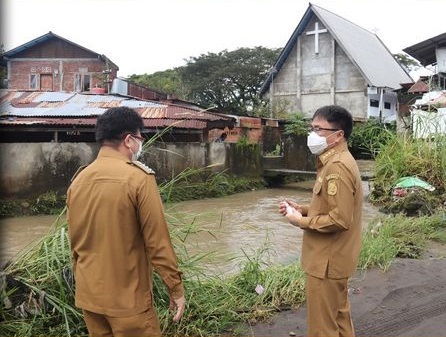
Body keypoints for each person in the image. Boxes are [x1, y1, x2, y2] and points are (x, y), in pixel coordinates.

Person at [66, 106, 186, 337]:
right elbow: (157, 243)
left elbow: (75, 243)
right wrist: (175, 287)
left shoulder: (78, 181)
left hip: (89, 299)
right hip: (128, 302)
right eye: (140, 138)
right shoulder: (138, 179)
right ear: (129, 140)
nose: (140, 144)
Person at [279, 105, 363, 337]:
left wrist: (300, 222)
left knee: (322, 328)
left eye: (319, 129)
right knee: (339, 318)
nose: (312, 135)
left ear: (338, 135)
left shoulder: (336, 167)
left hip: (327, 262)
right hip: (335, 259)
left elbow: (340, 218)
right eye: (312, 127)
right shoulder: (337, 160)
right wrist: (303, 210)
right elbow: (332, 206)